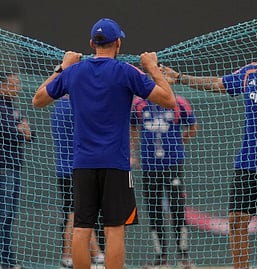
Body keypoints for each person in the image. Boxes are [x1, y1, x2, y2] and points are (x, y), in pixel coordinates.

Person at [162, 21, 257, 269]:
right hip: (248, 163)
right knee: (236, 220)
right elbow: (216, 84)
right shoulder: (250, 72)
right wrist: (180, 78)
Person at [32, 17, 176, 269]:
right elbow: (168, 100)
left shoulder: (73, 72)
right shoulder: (127, 72)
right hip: (116, 164)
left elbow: (38, 100)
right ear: (118, 43)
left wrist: (62, 67)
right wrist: (152, 67)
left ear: (91, 43)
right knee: (114, 229)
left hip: (83, 164)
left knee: (81, 227)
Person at [130, 95, 198, 268]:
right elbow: (132, 128)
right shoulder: (138, 105)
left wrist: (179, 143)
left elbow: (193, 126)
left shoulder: (178, 102)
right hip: (149, 166)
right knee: (154, 212)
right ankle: (161, 258)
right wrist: (133, 150)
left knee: (177, 209)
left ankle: (184, 257)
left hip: (173, 165)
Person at [0, 72, 33, 269]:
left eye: (17, 85)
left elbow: (28, 133)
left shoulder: (11, 106)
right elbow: (11, 133)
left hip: (14, 166)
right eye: (13, 85)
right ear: (0, 86)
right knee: (1, 212)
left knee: (9, 214)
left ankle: (7, 259)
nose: (17, 89)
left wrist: (23, 131)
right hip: (1, 167)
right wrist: (21, 131)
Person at [51, 96, 105, 268]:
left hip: (67, 169)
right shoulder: (73, 106)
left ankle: (96, 254)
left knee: (78, 213)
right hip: (77, 169)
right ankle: (68, 256)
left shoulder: (59, 106)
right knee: (76, 215)